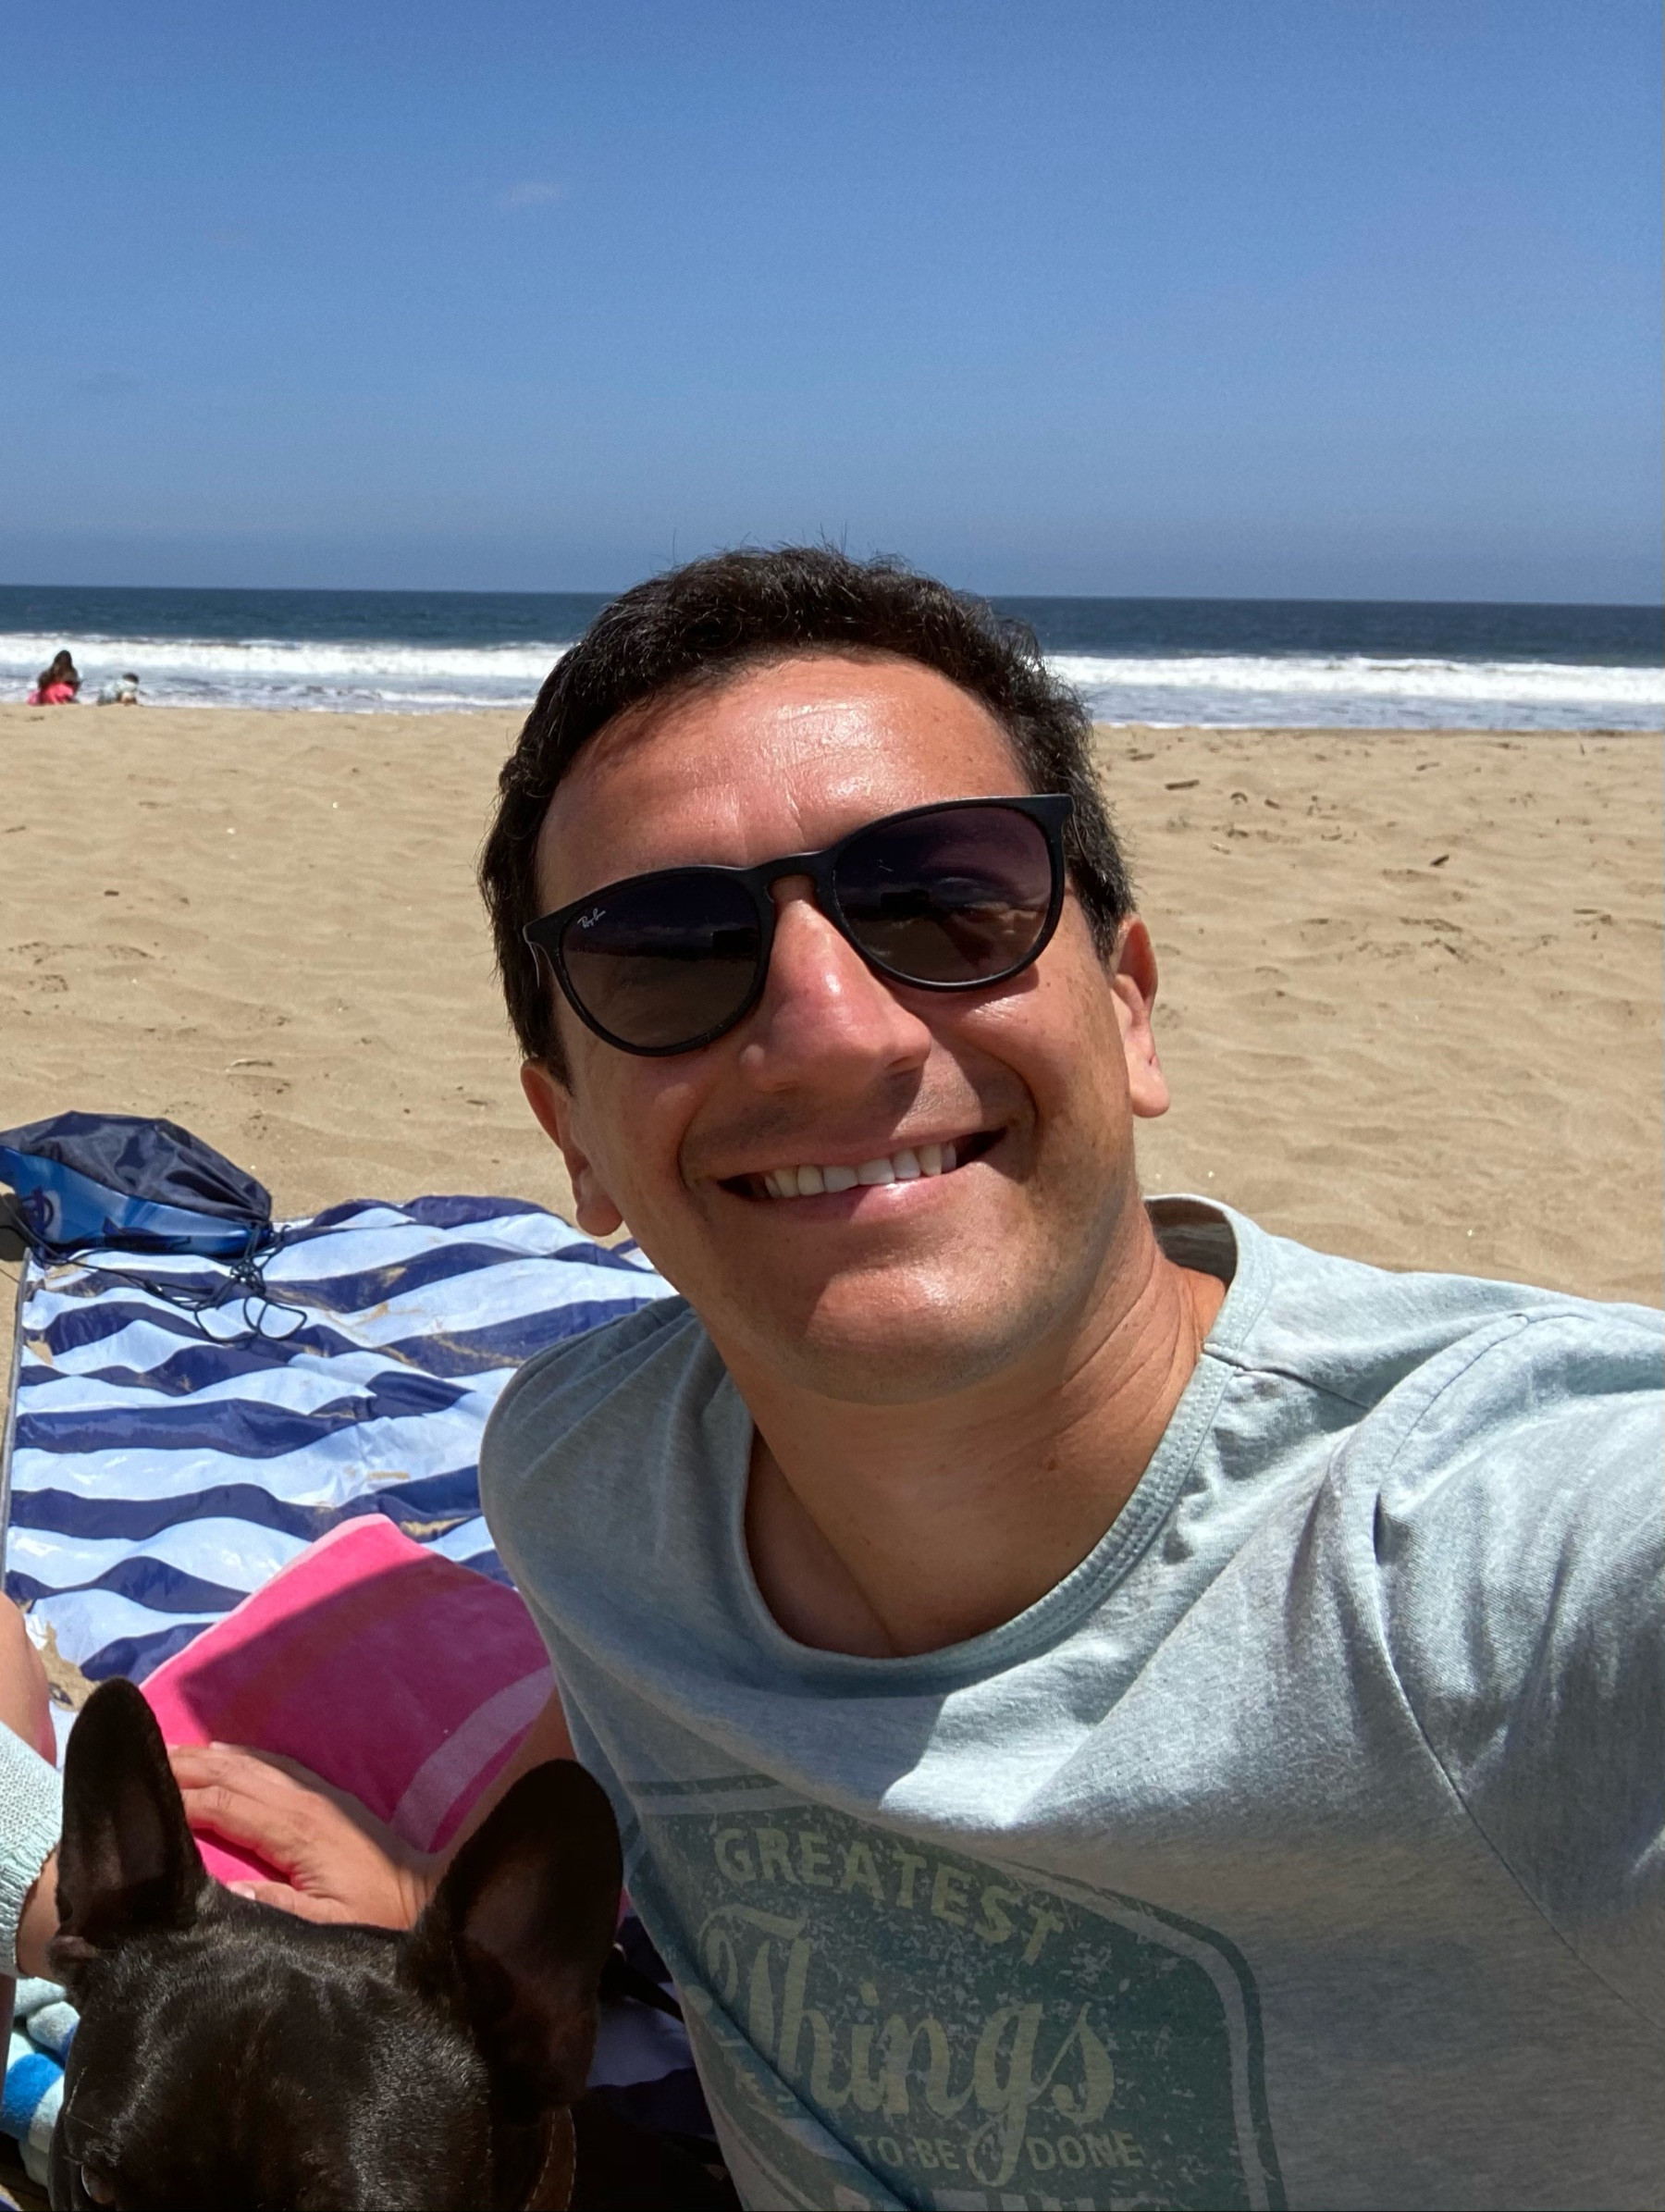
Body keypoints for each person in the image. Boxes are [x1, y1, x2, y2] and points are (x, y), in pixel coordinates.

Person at [119, 552, 1665, 2207]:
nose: (834, 1028)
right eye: (668, 950)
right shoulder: (582, 1479)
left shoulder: (1499, 1565)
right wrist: (439, 1922)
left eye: (942, 898)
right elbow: (621, 1715)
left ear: (1129, 1009)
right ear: (575, 1140)